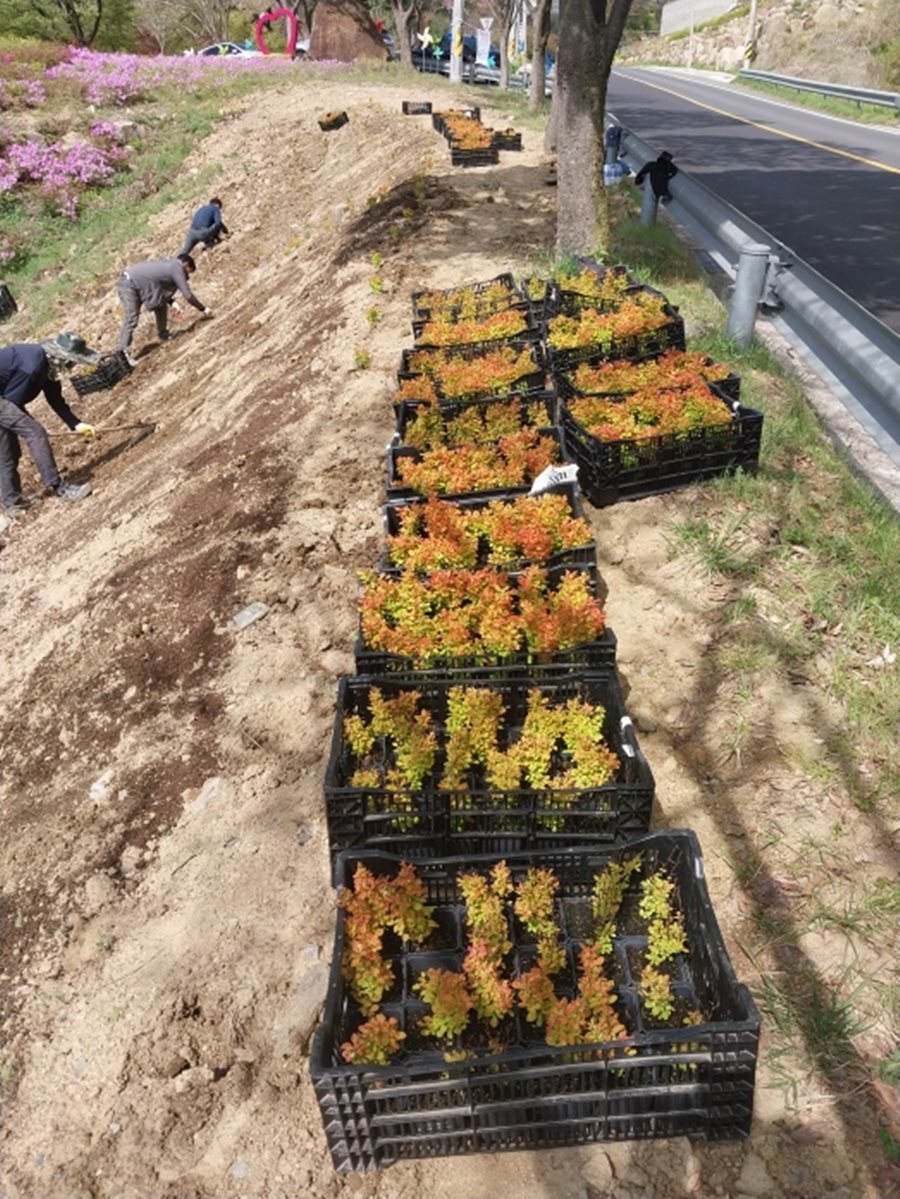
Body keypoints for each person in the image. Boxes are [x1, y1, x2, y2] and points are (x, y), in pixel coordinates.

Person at [0, 343, 94, 513]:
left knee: (8, 451)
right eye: (70, 363)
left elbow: (55, 399)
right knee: (35, 433)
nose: (71, 367)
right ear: (61, 358)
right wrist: (29, 428)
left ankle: (12, 503)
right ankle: (59, 488)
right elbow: (12, 402)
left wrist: (76, 424)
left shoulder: (48, 366)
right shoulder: (32, 367)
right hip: (4, 399)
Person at [116, 253, 213, 365]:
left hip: (136, 282)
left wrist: (172, 302)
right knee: (131, 317)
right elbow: (188, 295)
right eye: (187, 272)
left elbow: (157, 286)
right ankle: (122, 354)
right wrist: (203, 309)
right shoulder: (176, 268)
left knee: (160, 304)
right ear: (186, 265)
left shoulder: (169, 264)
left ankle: (163, 335)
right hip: (129, 284)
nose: (186, 276)